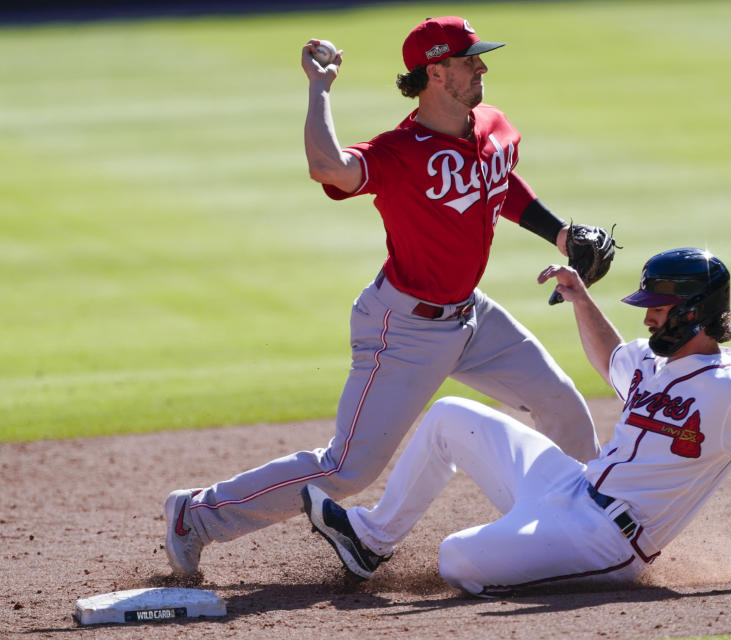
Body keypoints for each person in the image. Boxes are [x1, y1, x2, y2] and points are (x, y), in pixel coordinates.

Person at [161, 16, 603, 576]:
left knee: (561, 403)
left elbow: (500, 179)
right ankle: (196, 515)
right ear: (436, 71)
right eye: (471, 60)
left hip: (473, 315)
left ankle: (592, 529)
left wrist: (561, 233)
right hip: (405, 329)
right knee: (347, 467)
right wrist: (319, 88)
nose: (483, 67)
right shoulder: (398, 153)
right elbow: (328, 166)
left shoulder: (490, 125)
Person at [301, 248, 731, 595]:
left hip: (606, 542)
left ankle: (527, 548)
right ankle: (371, 540)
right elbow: (609, 358)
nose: (648, 319)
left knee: (456, 557)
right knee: (448, 417)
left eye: (657, 308)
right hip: (568, 487)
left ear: (694, 312)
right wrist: (580, 296)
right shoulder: (657, 367)